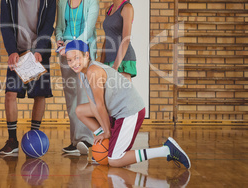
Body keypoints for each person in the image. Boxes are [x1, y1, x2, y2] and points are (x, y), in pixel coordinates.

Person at [65, 40, 191, 169]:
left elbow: (100, 105)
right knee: (80, 110)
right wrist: (103, 133)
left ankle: (166, 150)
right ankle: (106, 143)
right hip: (116, 110)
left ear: (86, 55)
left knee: (115, 160)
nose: (73, 63)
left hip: (129, 110)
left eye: (77, 58)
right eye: (69, 60)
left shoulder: (93, 72)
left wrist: (107, 132)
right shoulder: (82, 73)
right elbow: (93, 104)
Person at [0, 0, 56, 155]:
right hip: (18, 52)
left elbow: (49, 25)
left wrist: (40, 50)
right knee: (10, 94)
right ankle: (12, 140)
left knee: (39, 95)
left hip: (39, 52)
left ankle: (34, 137)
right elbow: (5, 24)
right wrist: (12, 51)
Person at [55, 0, 99, 155]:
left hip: (83, 52)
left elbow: (88, 30)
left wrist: (70, 47)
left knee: (84, 95)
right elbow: (59, 27)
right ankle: (75, 141)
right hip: (65, 53)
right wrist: (58, 40)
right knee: (71, 97)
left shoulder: (92, 0)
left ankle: (88, 140)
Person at [100, 0, 136, 82]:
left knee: (125, 98)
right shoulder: (109, 9)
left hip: (123, 60)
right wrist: (101, 63)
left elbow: (126, 39)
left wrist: (116, 66)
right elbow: (107, 38)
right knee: (111, 98)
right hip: (109, 59)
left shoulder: (127, 8)